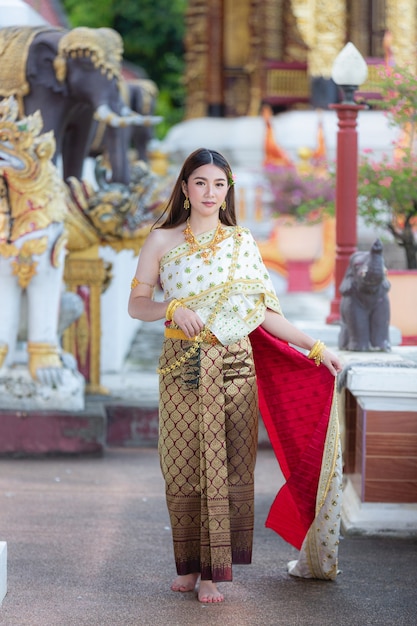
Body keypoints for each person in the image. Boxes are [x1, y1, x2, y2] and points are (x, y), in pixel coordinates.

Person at [128, 147, 343, 603]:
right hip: (184, 365)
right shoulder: (162, 240)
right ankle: (187, 565)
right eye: (201, 182)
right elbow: (136, 305)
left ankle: (213, 572)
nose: (210, 192)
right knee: (182, 465)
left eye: (219, 184)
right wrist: (171, 307)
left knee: (226, 467)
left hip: (236, 366)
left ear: (228, 191)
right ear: (185, 188)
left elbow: (263, 314)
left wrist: (316, 348)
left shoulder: (242, 241)